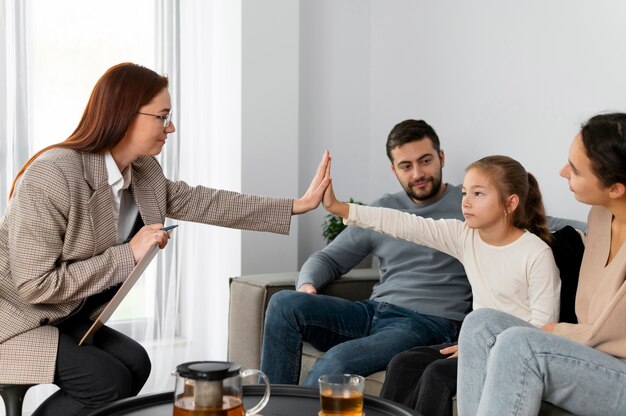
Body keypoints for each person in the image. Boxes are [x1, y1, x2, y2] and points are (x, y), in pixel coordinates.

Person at [0, 62, 330, 416]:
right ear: (125, 115)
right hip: (13, 317)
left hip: (61, 313)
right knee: (105, 382)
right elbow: (33, 285)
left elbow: (208, 202)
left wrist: (298, 205)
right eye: (162, 116)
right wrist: (129, 253)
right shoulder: (53, 175)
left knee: (136, 363)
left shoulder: (143, 172)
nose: (170, 127)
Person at [323, 155, 561, 416]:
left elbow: (542, 329)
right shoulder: (465, 236)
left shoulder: (536, 254)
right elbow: (405, 224)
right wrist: (339, 207)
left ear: (510, 202)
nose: (466, 202)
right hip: (474, 343)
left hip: (513, 355)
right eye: (464, 193)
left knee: (438, 373)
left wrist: (482, 347)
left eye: (478, 194)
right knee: (403, 362)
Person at [260, 119, 474, 386]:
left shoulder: (468, 205)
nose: (418, 173)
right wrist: (307, 287)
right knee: (284, 303)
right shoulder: (383, 210)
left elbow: (524, 223)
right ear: (394, 170)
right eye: (406, 166)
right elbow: (328, 258)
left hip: (427, 323)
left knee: (336, 362)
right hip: (372, 312)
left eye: (426, 160)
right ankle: (268, 408)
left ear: (441, 158)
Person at [456, 113, 626, 416]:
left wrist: (555, 331)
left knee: (519, 344)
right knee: (480, 323)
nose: (562, 172)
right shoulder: (600, 217)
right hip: (590, 351)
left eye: (575, 169)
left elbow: (613, 337)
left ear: (615, 188)